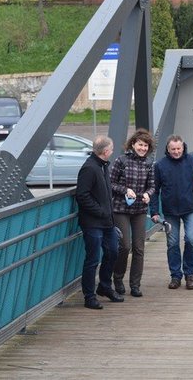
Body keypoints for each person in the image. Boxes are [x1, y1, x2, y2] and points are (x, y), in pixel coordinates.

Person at [150, 135, 193, 290]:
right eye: (173, 149)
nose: (176, 152)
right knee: (172, 243)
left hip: (189, 208)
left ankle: (189, 274)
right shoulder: (160, 165)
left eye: (179, 149)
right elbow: (154, 190)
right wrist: (154, 211)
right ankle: (175, 275)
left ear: (183, 147)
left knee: (191, 239)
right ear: (168, 149)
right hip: (170, 211)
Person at [76, 135, 124, 310]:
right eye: (111, 149)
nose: (112, 151)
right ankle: (89, 296)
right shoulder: (89, 168)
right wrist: (101, 211)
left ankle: (104, 286)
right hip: (92, 223)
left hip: (107, 222)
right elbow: (82, 195)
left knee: (112, 251)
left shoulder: (103, 166)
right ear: (105, 151)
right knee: (93, 259)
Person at [110, 129, 155, 298]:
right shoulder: (121, 160)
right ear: (133, 144)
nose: (143, 148)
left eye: (145, 146)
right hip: (121, 209)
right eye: (140, 144)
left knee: (139, 248)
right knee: (124, 246)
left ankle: (135, 285)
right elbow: (111, 182)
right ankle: (118, 278)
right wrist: (125, 190)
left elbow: (152, 185)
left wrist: (147, 194)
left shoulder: (149, 163)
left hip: (139, 210)